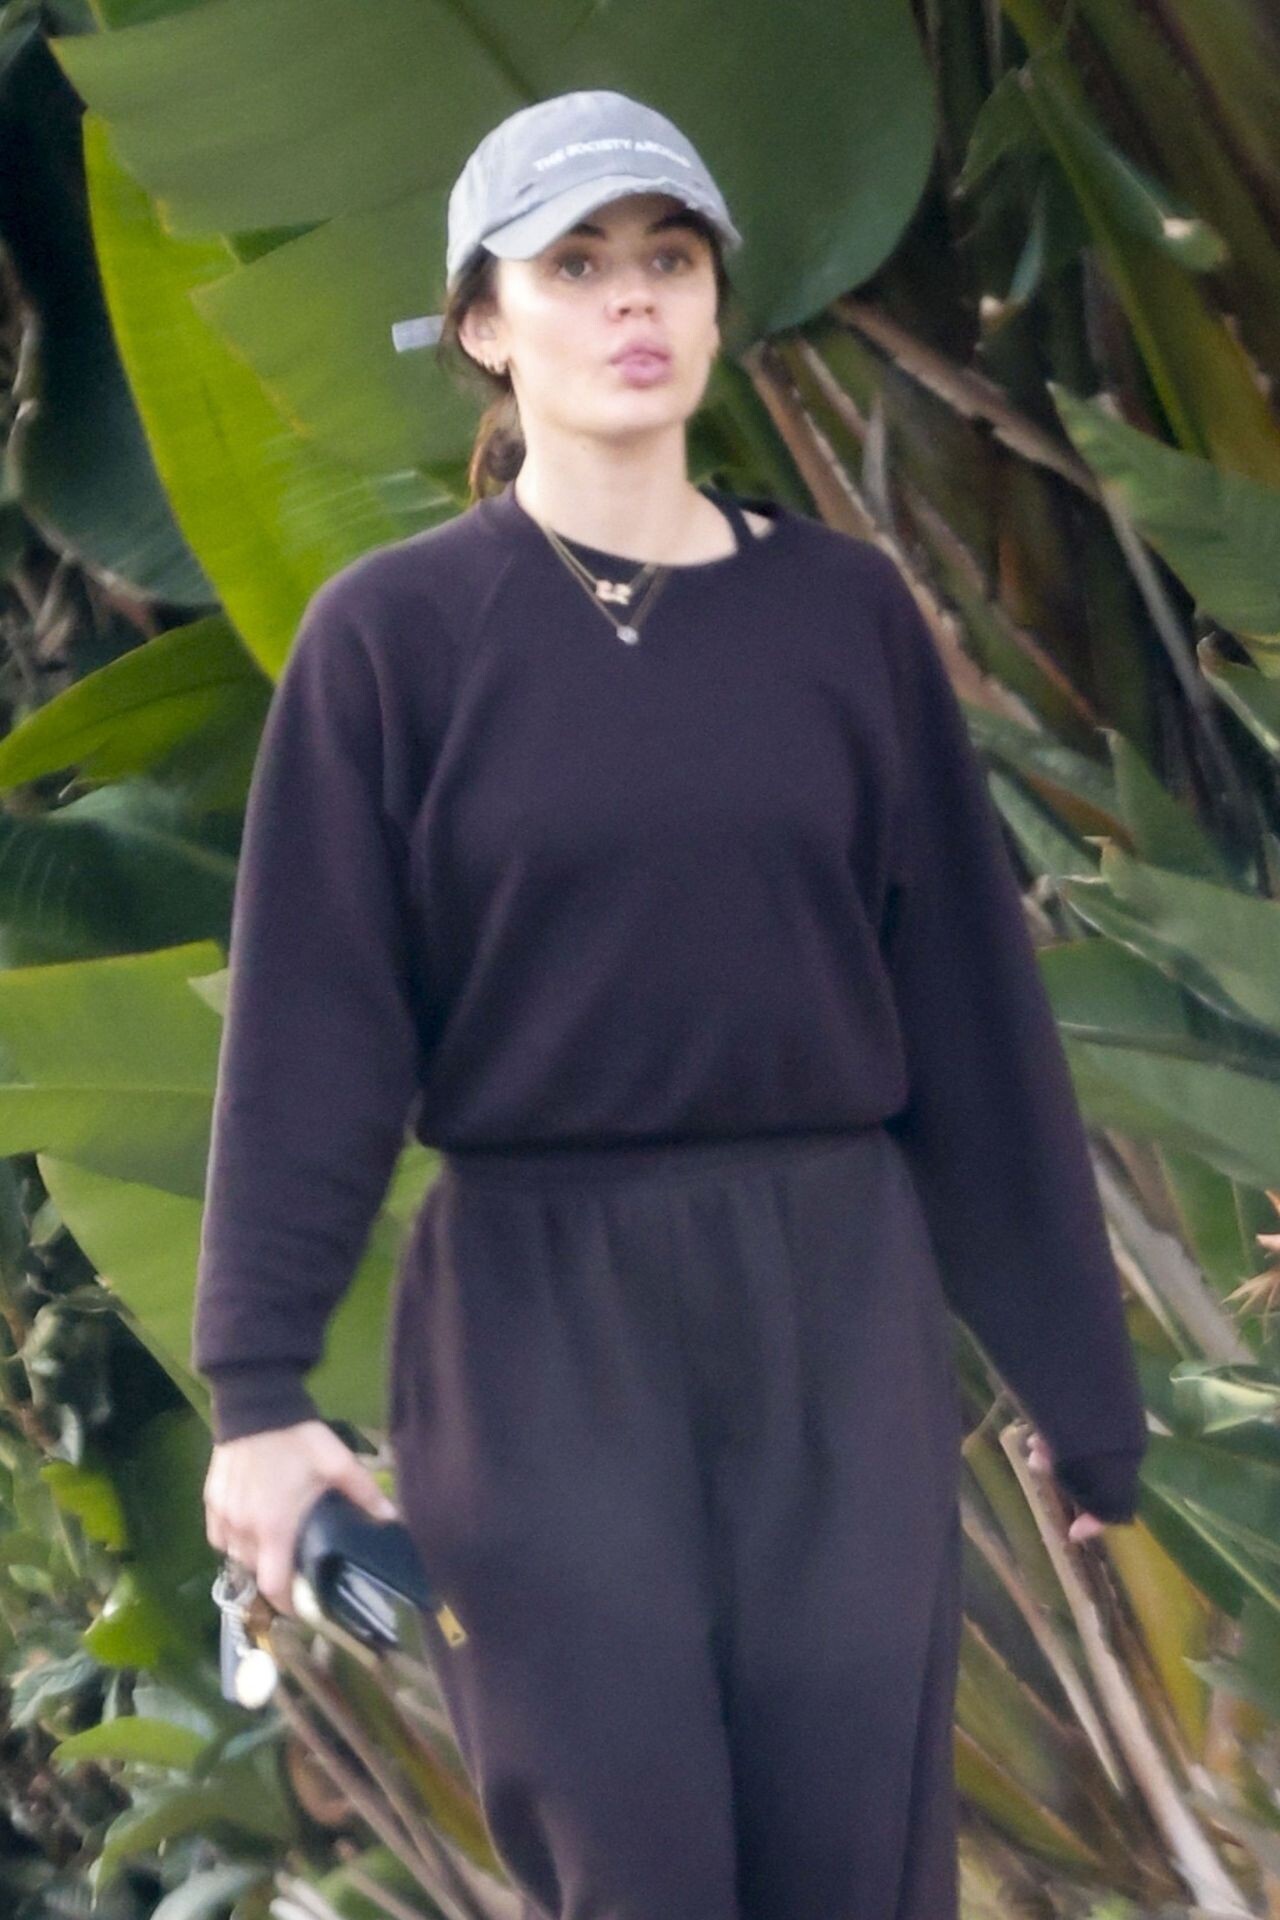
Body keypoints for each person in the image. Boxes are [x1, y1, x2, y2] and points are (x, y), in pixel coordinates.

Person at [193, 88, 1148, 1920]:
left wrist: (1077, 1384)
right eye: (575, 266)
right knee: (630, 1854)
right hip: (534, 1320)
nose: (633, 299)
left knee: (852, 1860)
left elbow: (969, 1018)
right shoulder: (393, 643)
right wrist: (255, 1392)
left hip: (833, 1298)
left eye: (670, 259)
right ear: (485, 327)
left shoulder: (846, 619)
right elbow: (313, 1034)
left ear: (715, 302)